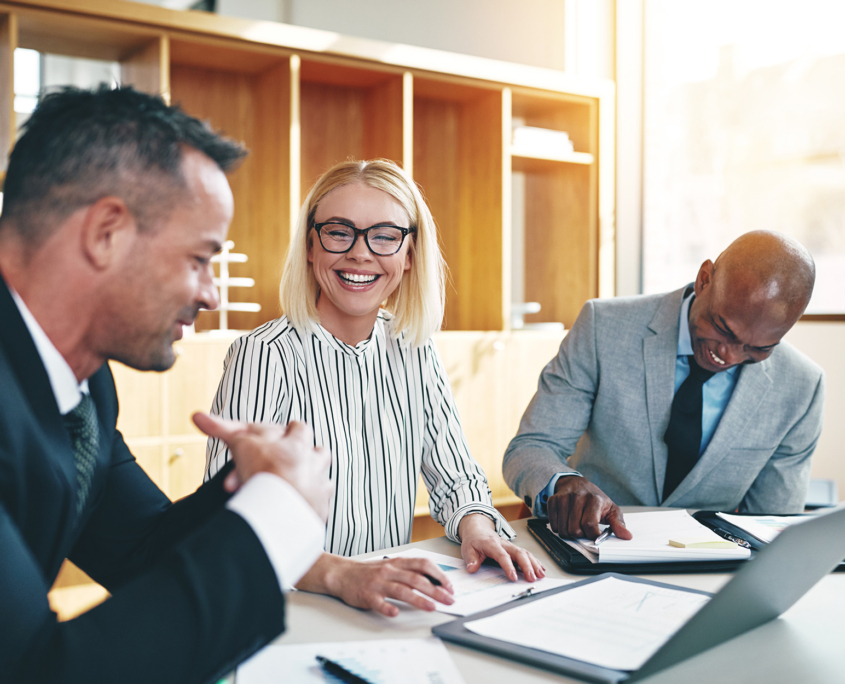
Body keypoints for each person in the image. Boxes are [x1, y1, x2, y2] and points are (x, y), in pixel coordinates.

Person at [0, 86, 334, 683]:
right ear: (106, 232)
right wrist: (278, 516)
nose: (211, 293)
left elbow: (138, 549)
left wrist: (249, 486)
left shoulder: (88, 386)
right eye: (200, 259)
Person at [205, 158, 544, 617]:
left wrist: (476, 525)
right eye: (339, 232)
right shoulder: (264, 355)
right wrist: (342, 575)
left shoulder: (413, 348)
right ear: (310, 245)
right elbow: (231, 522)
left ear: (408, 255)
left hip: (385, 603)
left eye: (384, 236)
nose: (360, 253)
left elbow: (455, 476)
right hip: (292, 605)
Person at [504, 231, 824, 540]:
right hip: (591, 545)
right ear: (704, 279)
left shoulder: (801, 387)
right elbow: (531, 447)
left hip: (705, 568)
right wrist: (563, 482)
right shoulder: (603, 327)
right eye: (722, 327)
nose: (728, 355)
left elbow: (771, 527)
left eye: (759, 348)